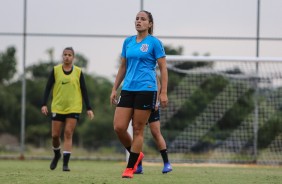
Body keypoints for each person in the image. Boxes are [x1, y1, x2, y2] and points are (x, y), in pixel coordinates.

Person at [110, 10, 168, 179]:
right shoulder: (128, 42)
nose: (139, 21)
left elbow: (163, 68)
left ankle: (130, 167)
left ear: (150, 24)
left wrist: (163, 92)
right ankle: (137, 154)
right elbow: (123, 67)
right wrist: (115, 88)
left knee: (137, 129)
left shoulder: (154, 43)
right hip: (128, 89)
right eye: (137, 18)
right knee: (119, 127)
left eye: (143, 19)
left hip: (147, 89)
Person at [41, 47, 94, 172]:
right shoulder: (55, 70)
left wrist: (89, 108)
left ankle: (65, 164)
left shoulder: (79, 72)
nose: (67, 57)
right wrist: (43, 104)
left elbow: (84, 90)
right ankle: (57, 154)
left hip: (74, 107)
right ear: (62, 56)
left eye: (69, 55)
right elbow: (48, 88)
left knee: (68, 133)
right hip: (58, 107)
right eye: (65, 54)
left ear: (73, 57)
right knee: (55, 136)